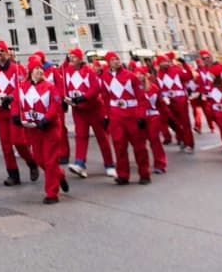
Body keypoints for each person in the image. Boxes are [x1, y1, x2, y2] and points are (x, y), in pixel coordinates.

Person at [12, 57, 68, 204]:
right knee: (38, 159)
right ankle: (59, 175)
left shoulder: (50, 86)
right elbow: (16, 103)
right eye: (36, 69)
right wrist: (16, 116)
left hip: (50, 128)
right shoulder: (22, 87)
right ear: (30, 71)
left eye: (41, 69)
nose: (39, 71)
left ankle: (52, 193)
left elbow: (55, 105)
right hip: (34, 129)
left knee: (50, 161)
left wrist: (47, 119)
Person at [0, 41, 36, 185]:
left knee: (19, 141)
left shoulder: (17, 68)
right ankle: (13, 175)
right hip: (0, 113)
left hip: (14, 112)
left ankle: (31, 162)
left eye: (2, 50)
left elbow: (22, 87)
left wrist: (11, 97)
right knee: (6, 145)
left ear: (7, 53)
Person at [62, 47, 115, 178]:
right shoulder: (67, 71)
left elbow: (96, 88)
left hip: (94, 108)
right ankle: (80, 163)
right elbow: (63, 86)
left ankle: (109, 165)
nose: (71, 59)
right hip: (78, 109)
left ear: (80, 59)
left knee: (102, 137)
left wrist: (84, 97)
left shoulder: (89, 71)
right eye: (70, 56)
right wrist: (66, 99)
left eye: (74, 56)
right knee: (80, 136)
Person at [100, 51, 150, 185]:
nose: (116, 61)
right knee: (119, 145)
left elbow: (141, 97)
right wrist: (106, 116)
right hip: (116, 116)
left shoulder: (131, 76)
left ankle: (144, 173)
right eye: (113, 59)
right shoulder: (104, 78)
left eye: (117, 59)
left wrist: (141, 116)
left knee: (139, 146)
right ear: (108, 62)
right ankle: (123, 174)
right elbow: (105, 98)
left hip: (132, 114)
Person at [154, 53, 194, 153]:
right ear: (159, 64)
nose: (166, 63)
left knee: (185, 122)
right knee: (174, 122)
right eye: (163, 62)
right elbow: (157, 88)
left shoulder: (176, 70)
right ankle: (181, 139)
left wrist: (185, 64)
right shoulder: (158, 74)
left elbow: (189, 76)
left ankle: (189, 144)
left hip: (180, 99)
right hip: (168, 101)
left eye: (166, 61)